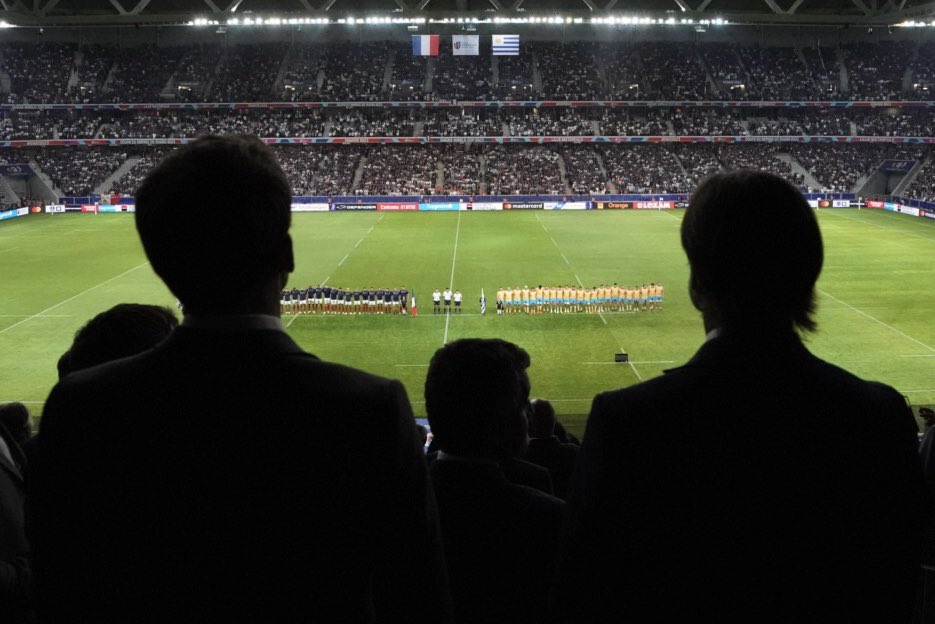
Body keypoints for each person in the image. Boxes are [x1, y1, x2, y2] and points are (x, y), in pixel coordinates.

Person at [29, 135, 451, 624]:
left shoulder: (82, 409)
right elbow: (418, 599)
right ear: (286, 254)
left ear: (161, 261)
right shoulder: (370, 410)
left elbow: (60, 592)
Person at [554, 170, 924, 623]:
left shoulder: (628, 424)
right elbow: (898, 588)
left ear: (696, 285)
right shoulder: (879, 420)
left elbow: (584, 592)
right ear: (809, 276)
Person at [425, 338, 564, 624]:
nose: (529, 414)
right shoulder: (549, 520)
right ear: (502, 420)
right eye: (523, 404)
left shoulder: (390, 512)